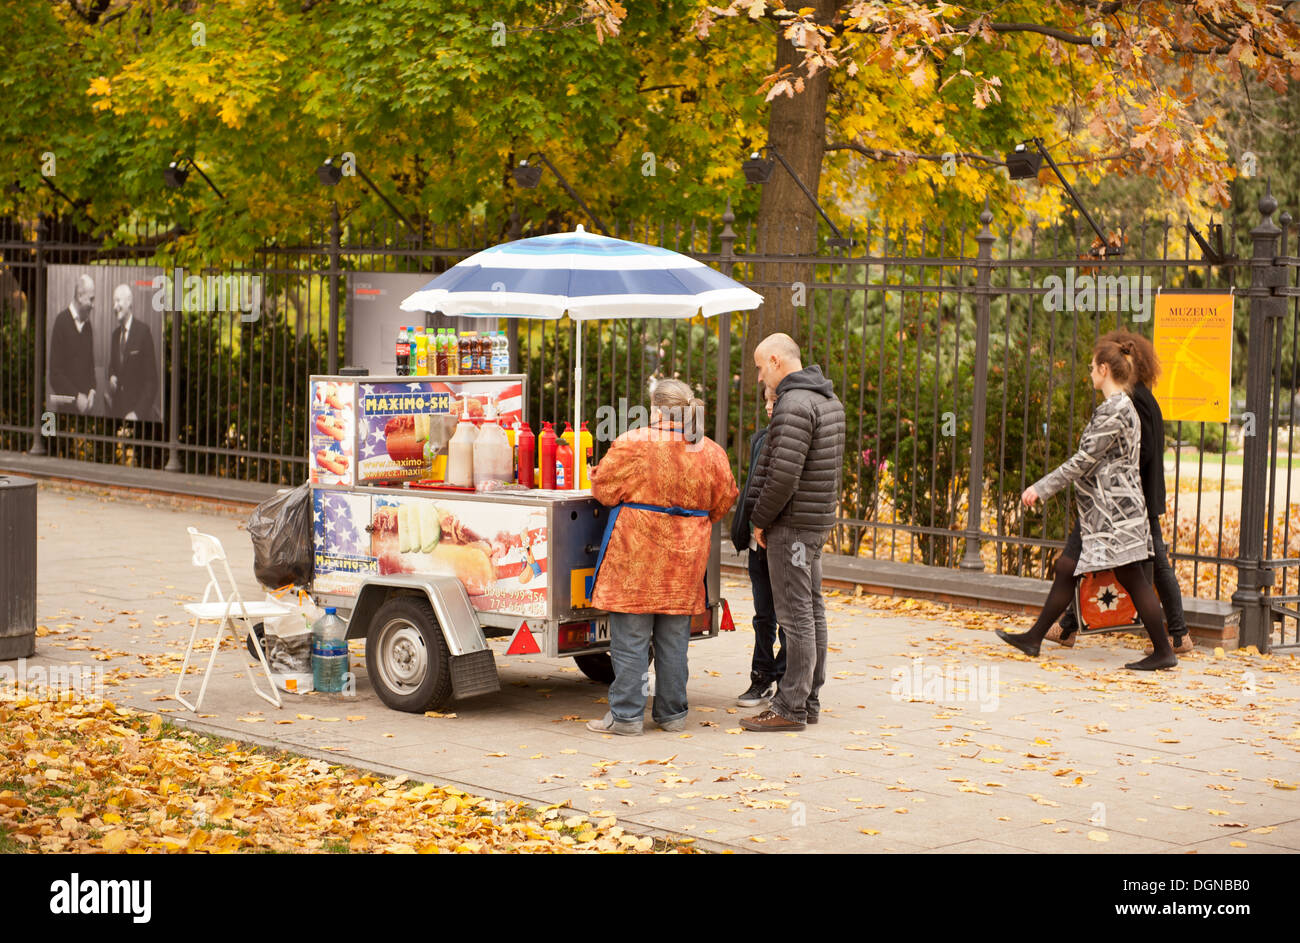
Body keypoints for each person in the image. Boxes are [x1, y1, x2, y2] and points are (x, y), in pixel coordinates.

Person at [996, 336, 1178, 671]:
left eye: (1093, 367)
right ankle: (1034, 638)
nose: (1090, 372)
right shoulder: (1122, 406)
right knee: (1069, 568)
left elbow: (1083, 460)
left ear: (1105, 369)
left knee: (1134, 578)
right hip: (1108, 512)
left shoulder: (1116, 409)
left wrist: (1041, 487)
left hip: (1114, 515)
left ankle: (1164, 652)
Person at [586, 379, 738, 736]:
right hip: (685, 562)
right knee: (674, 642)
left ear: (654, 409)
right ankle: (672, 715)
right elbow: (725, 498)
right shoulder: (710, 450)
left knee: (631, 641)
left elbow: (604, 489)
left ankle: (626, 716)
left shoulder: (634, 444)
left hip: (635, 557)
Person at [1047, 329, 1191, 654]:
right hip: (1131, 498)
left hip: (1123, 501)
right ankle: (1176, 635)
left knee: (1079, 558)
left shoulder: (1134, 399)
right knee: (1085, 559)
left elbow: (1142, 451)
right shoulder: (1142, 395)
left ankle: (1177, 637)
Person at [740, 334, 845, 731]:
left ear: (775, 359)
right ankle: (809, 698)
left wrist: (760, 520)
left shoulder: (794, 403)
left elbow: (783, 475)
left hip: (793, 525)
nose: (759, 376)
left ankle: (790, 706)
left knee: (795, 613)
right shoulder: (825, 399)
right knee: (812, 609)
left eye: (760, 367)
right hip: (814, 522)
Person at [730, 383, 785, 707]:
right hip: (755, 542)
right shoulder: (761, 439)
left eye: (774, 400)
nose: (768, 406)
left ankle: (784, 676)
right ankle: (761, 678)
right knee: (763, 616)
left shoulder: (794, 439)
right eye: (766, 399)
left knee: (789, 619)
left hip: (779, 541)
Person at [106, 284, 159, 422]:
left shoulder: (143, 332)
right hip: (117, 413)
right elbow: (113, 365)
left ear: (129, 301)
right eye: (113, 302)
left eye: (118, 301)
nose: (114, 306)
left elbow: (152, 382)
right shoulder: (114, 335)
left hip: (137, 417)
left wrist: (137, 413)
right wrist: (111, 376)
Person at [48, 273, 98, 414]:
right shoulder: (61, 323)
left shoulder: (88, 327)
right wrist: (76, 398)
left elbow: (90, 367)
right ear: (80, 296)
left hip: (86, 412)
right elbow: (55, 375)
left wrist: (92, 390)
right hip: (66, 411)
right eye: (91, 299)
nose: (93, 305)